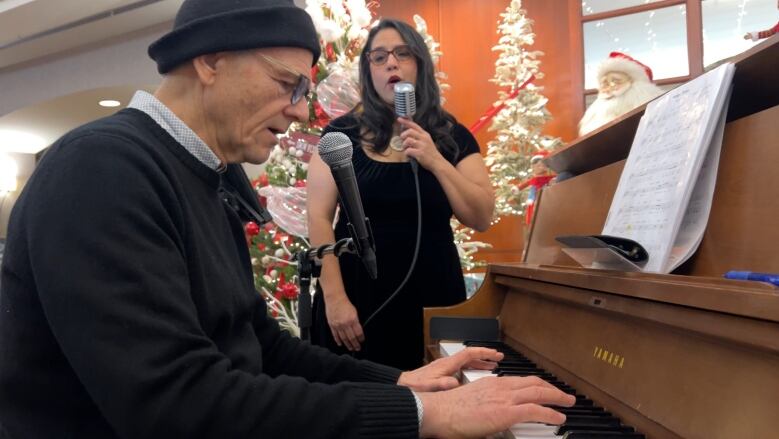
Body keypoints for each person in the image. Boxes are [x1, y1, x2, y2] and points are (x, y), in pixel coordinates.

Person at [0, 1, 575, 438]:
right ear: (210, 60)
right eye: (287, 84)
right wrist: (421, 413)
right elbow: (174, 403)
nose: (302, 109)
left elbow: (261, 345)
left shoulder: (209, 175)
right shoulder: (103, 168)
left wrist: (400, 382)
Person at [307, 19, 495, 371]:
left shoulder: (452, 135)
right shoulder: (340, 134)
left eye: (402, 54)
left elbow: (481, 217)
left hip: (433, 300)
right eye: (379, 57)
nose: (391, 63)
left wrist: (435, 160)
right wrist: (334, 299)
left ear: (419, 65)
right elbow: (318, 218)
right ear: (369, 71)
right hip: (356, 305)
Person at [578, 52, 664, 136]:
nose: (610, 86)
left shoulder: (643, 96)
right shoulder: (596, 111)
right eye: (605, 83)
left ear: (633, 82)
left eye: (616, 81)